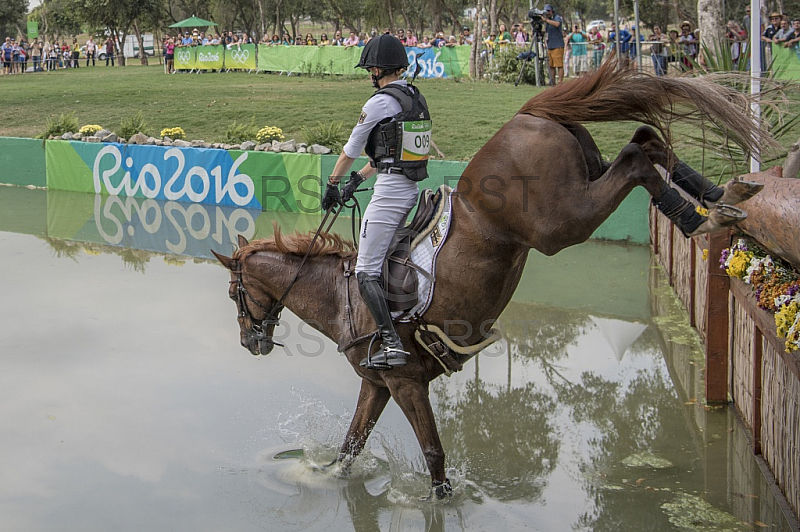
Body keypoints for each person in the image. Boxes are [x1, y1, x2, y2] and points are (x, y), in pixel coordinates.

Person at [321, 34, 432, 370]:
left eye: (370, 68)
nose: (369, 73)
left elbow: (349, 151)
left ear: (376, 68)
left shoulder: (379, 102)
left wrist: (333, 183)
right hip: (408, 189)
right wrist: (359, 179)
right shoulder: (414, 96)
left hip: (390, 194)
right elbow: (393, 152)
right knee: (382, 257)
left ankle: (391, 342)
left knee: (365, 271)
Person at [542, 4, 565, 85]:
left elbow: (556, 24)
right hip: (550, 45)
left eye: (549, 11)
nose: (547, 13)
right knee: (551, 65)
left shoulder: (557, 18)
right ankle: (552, 81)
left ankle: (560, 82)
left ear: (552, 11)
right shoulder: (547, 21)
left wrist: (546, 20)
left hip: (557, 45)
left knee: (559, 64)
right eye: (546, 11)